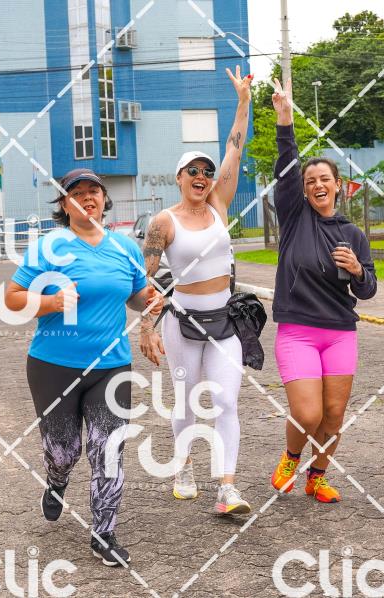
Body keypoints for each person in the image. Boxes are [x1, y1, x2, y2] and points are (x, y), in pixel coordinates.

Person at [4, 168, 162, 566]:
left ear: (104, 200)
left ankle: (103, 533)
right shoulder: (48, 247)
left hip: (111, 366)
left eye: (94, 191)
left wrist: (150, 302)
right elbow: (12, 298)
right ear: (64, 203)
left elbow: (136, 296)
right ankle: (56, 480)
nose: (87, 197)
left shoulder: (124, 247)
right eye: (77, 192)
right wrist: (50, 303)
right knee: (63, 451)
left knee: (107, 450)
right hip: (53, 365)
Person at [138, 66, 253, 514]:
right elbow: (146, 279)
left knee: (225, 400)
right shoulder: (163, 222)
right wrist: (146, 326)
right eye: (193, 171)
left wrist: (243, 102)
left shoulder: (219, 204)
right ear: (179, 177)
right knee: (186, 401)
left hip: (225, 320)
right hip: (182, 322)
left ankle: (227, 488)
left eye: (206, 170)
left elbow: (234, 149)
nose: (202, 175)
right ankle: (183, 465)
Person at [267, 78, 377, 504]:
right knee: (308, 412)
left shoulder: (353, 233)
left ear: (338, 185)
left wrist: (357, 271)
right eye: (310, 179)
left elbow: (368, 289)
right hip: (298, 330)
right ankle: (291, 458)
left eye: (324, 179)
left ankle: (317, 476)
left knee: (333, 415)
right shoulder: (295, 216)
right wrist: (285, 120)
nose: (317, 184)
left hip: (340, 332)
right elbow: (286, 167)